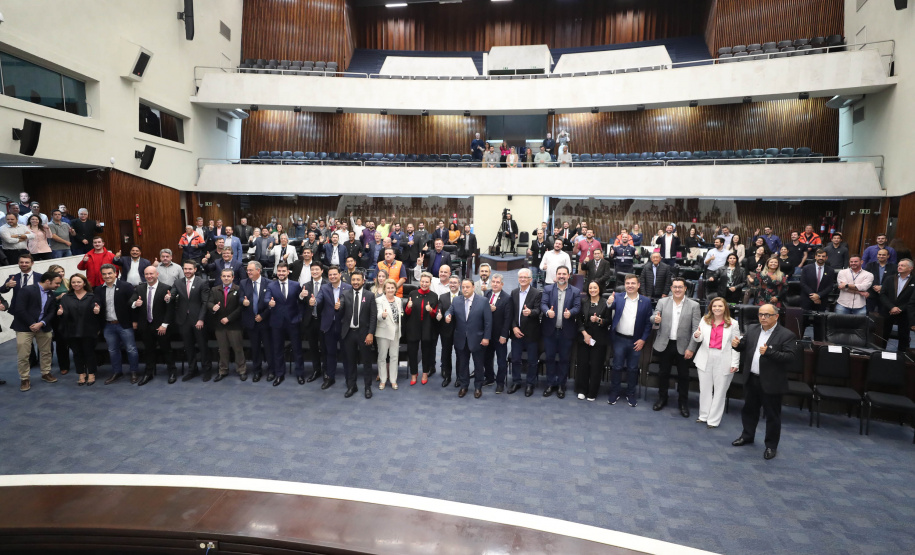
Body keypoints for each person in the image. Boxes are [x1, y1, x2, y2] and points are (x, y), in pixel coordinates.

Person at [731, 304, 798, 460]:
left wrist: (770, 353)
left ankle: (771, 446)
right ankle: (747, 435)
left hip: (772, 382)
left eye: (767, 315)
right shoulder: (753, 329)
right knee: (749, 410)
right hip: (752, 378)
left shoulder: (787, 335)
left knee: (772, 415)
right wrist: (737, 346)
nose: (763, 317)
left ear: (776, 316)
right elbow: (745, 347)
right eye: (761, 314)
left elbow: (791, 358)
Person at [651, 277, 701, 417]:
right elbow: (654, 316)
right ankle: (662, 398)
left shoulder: (694, 305)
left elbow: (696, 329)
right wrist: (655, 319)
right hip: (665, 344)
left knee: (684, 376)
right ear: (671, 288)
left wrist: (691, 348)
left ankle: (683, 403)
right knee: (663, 373)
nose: (677, 289)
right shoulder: (663, 301)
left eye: (680, 287)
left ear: (685, 288)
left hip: (684, 346)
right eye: (675, 287)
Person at [689, 297, 741, 428]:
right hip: (705, 356)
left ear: (725, 308)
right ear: (710, 308)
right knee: (705, 388)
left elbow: (736, 345)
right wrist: (696, 335)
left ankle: (713, 420)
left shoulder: (733, 323)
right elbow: (699, 337)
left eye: (720, 306)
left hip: (724, 358)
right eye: (714, 306)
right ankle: (704, 415)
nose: (717, 308)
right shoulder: (705, 320)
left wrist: (735, 363)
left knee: (720, 391)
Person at [607, 274, 653, 407]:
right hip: (619, 339)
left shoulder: (646, 301)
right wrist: (609, 302)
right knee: (617, 367)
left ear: (638, 285)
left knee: (633, 368)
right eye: (627, 283)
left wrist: (643, 340)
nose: (630, 286)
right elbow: (610, 306)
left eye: (633, 283)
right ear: (624, 285)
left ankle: (630, 393)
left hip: (636, 341)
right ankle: (614, 392)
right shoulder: (619, 297)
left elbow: (648, 324)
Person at [12, 271, 62, 391]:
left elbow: (51, 312)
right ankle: (24, 379)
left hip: (43, 327)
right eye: (57, 283)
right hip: (24, 327)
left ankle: (46, 373)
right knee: (24, 354)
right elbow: (19, 309)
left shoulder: (51, 294)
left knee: (46, 352)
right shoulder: (27, 290)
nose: (58, 286)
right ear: (48, 281)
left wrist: (41, 323)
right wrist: (32, 324)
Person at [444, 278, 492, 398]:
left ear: (473, 287)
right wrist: (447, 315)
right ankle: (464, 386)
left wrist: (486, 337)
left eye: (467, 287)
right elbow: (449, 311)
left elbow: (488, 322)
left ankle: (478, 387)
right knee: (463, 364)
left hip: (478, 339)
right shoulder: (456, 300)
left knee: (479, 365)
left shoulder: (483, 301)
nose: (465, 289)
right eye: (463, 287)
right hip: (461, 339)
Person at [95, 264, 141, 384]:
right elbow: (97, 305)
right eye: (104, 274)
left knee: (131, 349)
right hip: (108, 325)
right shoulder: (99, 289)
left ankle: (134, 372)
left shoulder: (126, 286)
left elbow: (133, 305)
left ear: (116, 273)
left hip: (124, 324)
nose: (107, 276)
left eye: (109, 273)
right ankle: (117, 372)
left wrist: (135, 321)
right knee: (113, 350)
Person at [540, 266, 581, 399]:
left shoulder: (575, 291)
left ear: (569, 276)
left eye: (564, 274)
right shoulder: (547, 289)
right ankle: (551, 384)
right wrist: (547, 312)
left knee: (564, 360)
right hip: (550, 331)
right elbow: (543, 304)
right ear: (556, 275)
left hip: (566, 332)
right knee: (550, 358)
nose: (562, 276)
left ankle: (561, 385)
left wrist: (571, 313)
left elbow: (577, 307)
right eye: (559, 274)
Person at [132, 266, 176, 386]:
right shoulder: (139, 288)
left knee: (166, 350)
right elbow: (130, 301)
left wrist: (164, 325)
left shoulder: (166, 288)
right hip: (145, 326)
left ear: (157, 274)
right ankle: (148, 373)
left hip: (161, 326)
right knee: (148, 351)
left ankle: (172, 372)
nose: (149, 276)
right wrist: (135, 303)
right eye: (146, 274)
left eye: (151, 274)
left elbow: (170, 309)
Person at [266, 262, 306, 386]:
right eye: (279, 271)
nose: (281, 273)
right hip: (277, 322)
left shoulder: (296, 285)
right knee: (277, 349)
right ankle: (279, 374)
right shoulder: (271, 285)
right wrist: (269, 303)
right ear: (277, 272)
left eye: (284, 271)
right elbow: (266, 298)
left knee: (297, 349)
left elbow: (300, 300)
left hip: (293, 321)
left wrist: (301, 297)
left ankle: (300, 374)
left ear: (288, 272)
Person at [57, 273, 99, 385]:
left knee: (89, 352)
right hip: (72, 330)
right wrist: (60, 313)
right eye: (74, 282)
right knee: (77, 353)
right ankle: (81, 374)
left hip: (88, 330)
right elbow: (63, 313)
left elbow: (97, 312)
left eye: (79, 282)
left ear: (84, 283)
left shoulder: (92, 296)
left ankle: (91, 374)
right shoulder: (66, 297)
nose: (76, 284)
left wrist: (97, 311)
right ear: (70, 284)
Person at [173, 260, 211, 381]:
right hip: (184, 320)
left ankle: (207, 370)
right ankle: (192, 369)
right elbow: (172, 295)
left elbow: (205, 302)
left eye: (190, 269)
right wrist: (168, 297)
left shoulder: (202, 282)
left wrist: (201, 319)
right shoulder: (178, 282)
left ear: (195, 269)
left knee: (202, 346)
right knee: (188, 346)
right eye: (185, 269)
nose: (187, 271)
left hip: (198, 320)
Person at [340, 271, 376, 399]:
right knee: (350, 361)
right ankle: (352, 386)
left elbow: (373, 317)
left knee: (367, 361)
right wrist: (338, 307)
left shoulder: (370, 295)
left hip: (364, 334)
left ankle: (367, 387)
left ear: (363, 281)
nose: (355, 282)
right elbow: (341, 309)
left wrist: (371, 333)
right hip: (349, 333)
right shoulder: (345, 294)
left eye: (358, 280)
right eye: (353, 280)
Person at [316, 265, 352, 390]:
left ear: (340, 274)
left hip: (344, 326)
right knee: (330, 353)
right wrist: (314, 302)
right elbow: (319, 299)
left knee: (346, 354)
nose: (332, 276)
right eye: (330, 275)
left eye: (334, 274)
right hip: (329, 326)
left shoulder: (348, 288)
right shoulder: (324, 288)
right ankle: (330, 378)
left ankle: (349, 380)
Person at [208, 268, 246, 381]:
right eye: (224, 276)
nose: (226, 278)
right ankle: (223, 370)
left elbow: (241, 307)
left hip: (234, 325)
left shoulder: (239, 289)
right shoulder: (214, 290)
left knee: (238, 349)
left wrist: (229, 318)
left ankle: (242, 370)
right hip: (220, 326)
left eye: (228, 276)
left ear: (233, 277)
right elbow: (209, 302)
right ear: (220, 277)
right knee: (223, 350)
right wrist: (212, 307)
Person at [576, 280, 610, 402]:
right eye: (590, 288)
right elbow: (578, 320)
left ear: (599, 289)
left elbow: (608, 321)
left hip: (599, 339)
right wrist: (584, 334)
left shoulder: (606, 303)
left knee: (596, 366)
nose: (592, 290)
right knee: (583, 365)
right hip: (585, 338)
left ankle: (592, 391)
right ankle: (581, 390)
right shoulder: (583, 301)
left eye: (595, 288)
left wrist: (599, 320)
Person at [239, 261, 274, 382]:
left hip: (265, 321)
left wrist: (263, 316)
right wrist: (243, 302)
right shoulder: (243, 283)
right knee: (255, 348)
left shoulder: (269, 283)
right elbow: (240, 297)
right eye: (247, 270)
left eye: (250, 270)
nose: (248, 272)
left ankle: (271, 370)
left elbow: (271, 303)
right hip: (251, 321)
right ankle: (257, 371)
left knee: (269, 348)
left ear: (258, 270)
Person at [404, 272, 439, 386]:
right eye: (422, 281)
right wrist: (408, 307)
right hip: (413, 327)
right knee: (412, 351)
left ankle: (424, 372)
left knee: (426, 352)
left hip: (428, 328)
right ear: (420, 282)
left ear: (430, 283)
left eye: (426, 282)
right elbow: (407, 313)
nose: (424, 284)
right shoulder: (412, 293)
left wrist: (431, 310)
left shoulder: (434, 296)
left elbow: (435, 315)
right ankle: (414, 374)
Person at [481, 273, 511, 393]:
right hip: (487, 334)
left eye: (497, 282)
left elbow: (508, 319)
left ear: (502, 284)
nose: (494, 284)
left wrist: (504, 335)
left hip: (500, 336)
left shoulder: (507, 298)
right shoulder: (487, 294)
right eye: (493, 281)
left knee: (501, 361)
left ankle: (500, 383)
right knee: (486, 359)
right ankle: (489, 378)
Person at [878, 259, 915, 353]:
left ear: (910, 268)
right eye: (899, 265)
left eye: (903, 265)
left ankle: (902, 357)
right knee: (883, 334)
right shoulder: (890, 278)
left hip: (905, 313)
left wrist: (900, 309)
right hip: (888, 311)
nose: (899, 267)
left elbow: (912, 300)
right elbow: (882, 294)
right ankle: (879, 355)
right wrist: (891, 307)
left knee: (904, 336)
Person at [375, 279, 405, 390]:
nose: (390, 290)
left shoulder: (398, 300)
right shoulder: (379, 300)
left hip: (396, 332)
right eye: (388, 288)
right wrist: (382, 315)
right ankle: (383, 380)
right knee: (382, 357)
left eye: (392, 288)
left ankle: (393, 380)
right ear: (384, 289)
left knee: (394, 356)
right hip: (383, 332)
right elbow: (378, 315)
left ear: (395, 289)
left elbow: (400, 315)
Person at [436, 275, 461, 387]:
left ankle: (459, 378)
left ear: (459, 284)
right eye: (451, 283)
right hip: (446, 330)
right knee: (446, 353)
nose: (453, 285)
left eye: (455, 283)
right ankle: (447, 376)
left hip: (460, 331)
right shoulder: (443, 297)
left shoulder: (463, 296)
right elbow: (439, 310)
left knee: (460, 355)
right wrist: (439, 315)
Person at [865, 248, 894, 314]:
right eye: (879, 254)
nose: (881, 256)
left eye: (883, 255)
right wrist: (875, 287)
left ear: (888, 256)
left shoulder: (893, 267)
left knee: (883, 316)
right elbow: (865, 278)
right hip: (871, 294)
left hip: (885, 295)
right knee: (868, 314)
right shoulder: (870, 265)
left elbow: (893, 280)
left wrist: (882, 287)